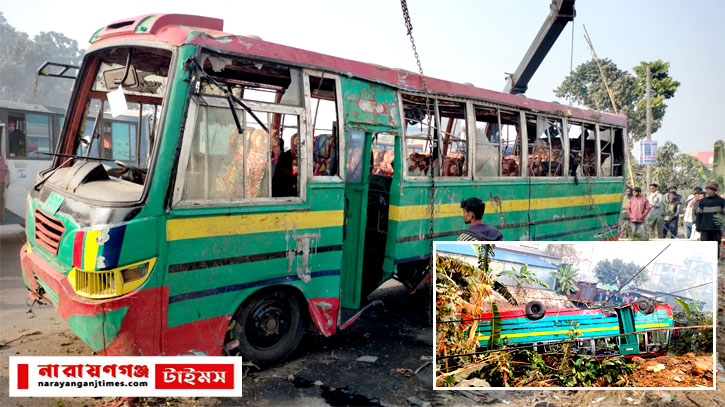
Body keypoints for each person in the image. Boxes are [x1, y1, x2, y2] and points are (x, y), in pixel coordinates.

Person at [694, 181, 725, 258]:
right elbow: (698, 215)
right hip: (705, 228)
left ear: (714, 191)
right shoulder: (702, 202)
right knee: (705, 246)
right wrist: (698, 226)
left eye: (709, 190)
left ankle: (715, 260)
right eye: (707, 190)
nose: (707, 191)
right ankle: (705, 260)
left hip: (716, 228)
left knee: (715, 245)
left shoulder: (722, 201)